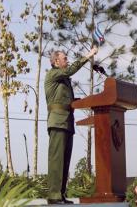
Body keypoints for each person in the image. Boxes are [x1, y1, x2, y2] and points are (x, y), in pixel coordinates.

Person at [44, 46, 98, 205]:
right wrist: (88, 55)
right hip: (58, 122)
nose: (67, 60)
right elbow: (71, 70)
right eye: (65, 58)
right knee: (57, 161)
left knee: (65, 161)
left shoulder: (64, 79)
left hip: (67, 121)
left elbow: (68, 101)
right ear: (56, 61)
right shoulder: (53, 74)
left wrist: (86, 101)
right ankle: (53, 196)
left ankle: (60, 195)